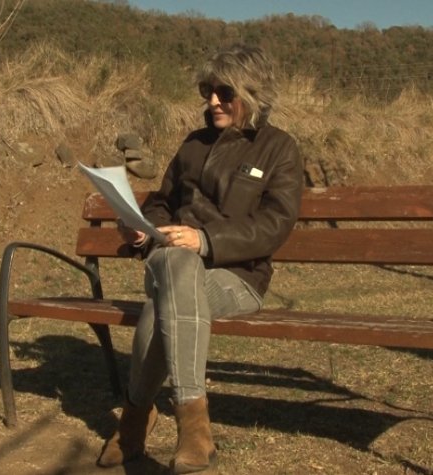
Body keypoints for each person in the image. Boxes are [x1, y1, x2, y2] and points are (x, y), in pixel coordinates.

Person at [96, 44, 304, 474]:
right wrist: (140, 229)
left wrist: (205, 239)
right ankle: (194, 427)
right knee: (177, 265)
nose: (212, 101)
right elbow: (160, 204)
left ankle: (135, 417)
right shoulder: (193, 144)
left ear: (252, 92)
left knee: (159, 311)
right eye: (207, 90)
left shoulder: (279, 149)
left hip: (238, 276)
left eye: (223, 92)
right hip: (170, 262)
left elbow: (275, 225)